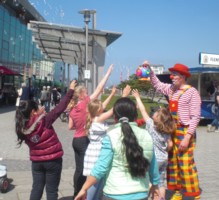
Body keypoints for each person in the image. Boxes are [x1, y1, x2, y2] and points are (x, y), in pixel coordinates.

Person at [74, 97, 160, 200]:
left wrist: (84, 188)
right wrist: (155, 184)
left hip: (115, 193)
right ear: (136, 116)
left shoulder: (110, 136)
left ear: (115, 117)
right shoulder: (146, 135)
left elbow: (101, 167)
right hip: (141, 193)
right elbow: (153, 164)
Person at [146, 60, 201, 200]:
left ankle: (192, 193)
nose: (172, 77)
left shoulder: (192, 92)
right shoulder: (171, 89)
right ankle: (177, 191)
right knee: (172, 163)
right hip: (172, 131)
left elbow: (195, 117)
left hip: (185, 131)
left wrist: (188, 137)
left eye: (174, 74)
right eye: (172, 74)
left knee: (185, 163)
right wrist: (150, 70)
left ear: (182, 76)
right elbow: (157, 85)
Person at [15, 80, 77, 200]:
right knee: (52, 191)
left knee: (37, 188)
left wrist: (39, 114)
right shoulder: (45, 121)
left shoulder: (21, 128)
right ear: (33, 112)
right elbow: (60, 108)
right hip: (53, 160)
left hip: (37, 162)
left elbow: (32, 122)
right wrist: (70, 90)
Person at [68, 64, 114, 198]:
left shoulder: (73, 109)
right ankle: (82, 194)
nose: (88, 94)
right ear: (82, 95)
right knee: (85, 171)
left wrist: (80, 124)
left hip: (75, 141)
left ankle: (76, 192)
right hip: (83, 140)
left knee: (78, 170)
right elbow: (99, 88)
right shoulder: (85, 104)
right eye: (86, 92)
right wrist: (108, 73)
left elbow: (70, 127)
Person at [83, 85, 131, 200]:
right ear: (97, 110)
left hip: (96, 153)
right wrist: (123, 96)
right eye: (101, 107)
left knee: (98, 185)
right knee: (93, 186)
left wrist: (112, 94)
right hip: (96, 155)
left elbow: (104, 107)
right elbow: (112, 110)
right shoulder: (97, 120)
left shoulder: (94, 117)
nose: (103, 107)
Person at [132, 89, 176, 200]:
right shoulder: (167, 130)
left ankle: (148, 196)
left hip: (153, 160)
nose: (154, 113)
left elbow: (143, 110)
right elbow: (170, 145)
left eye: (156, 113)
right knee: (161, 183)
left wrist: (137, 97)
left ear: (157, 118)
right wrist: (166, 151)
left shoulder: (151, 125)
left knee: (151, 182)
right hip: (164, 159)